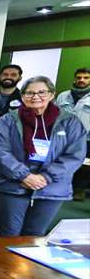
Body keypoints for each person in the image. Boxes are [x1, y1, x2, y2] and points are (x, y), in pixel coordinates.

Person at [0, 76, 86, 237]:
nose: (35, 97)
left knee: (35, 234)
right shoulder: (9, 120)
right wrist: (25, 175)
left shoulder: (70, 122)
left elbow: (75, 155)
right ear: (22, 96)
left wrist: (46, 177)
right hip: (15, 184)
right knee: (9, 233)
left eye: (42, 92)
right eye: (29, 93)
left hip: (52, 186)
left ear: (52, 95)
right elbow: (0, 151)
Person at [55, 67, 90, 199]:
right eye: (79, 77)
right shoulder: (63, 96)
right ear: (74, 79)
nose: (82, 80)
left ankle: (79, 189)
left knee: (82, 165)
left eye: (86, 78)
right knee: (62, 161)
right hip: (63, 136)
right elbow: (54, 114)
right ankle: (62, 185)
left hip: (86, 138)